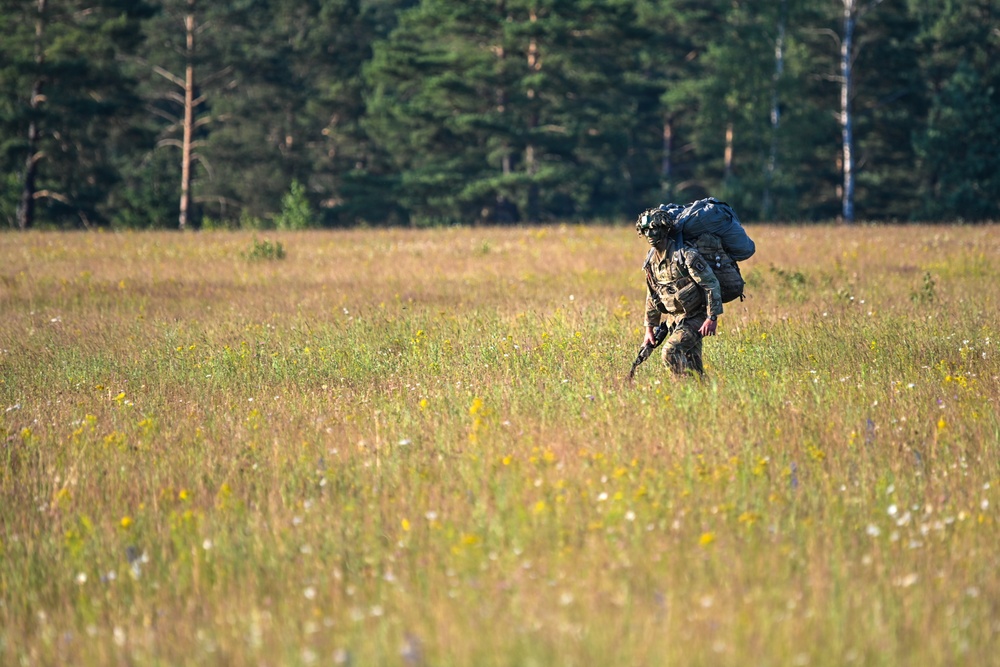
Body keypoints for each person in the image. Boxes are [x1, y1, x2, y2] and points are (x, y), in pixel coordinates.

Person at [636, 207, 723, 377]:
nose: (650, 234)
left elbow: (711, 284)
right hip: (673, 320)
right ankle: (701, 395)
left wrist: (711, 317)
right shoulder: (651, 260)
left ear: (664, 229)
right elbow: (652, 296)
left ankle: (683, 391)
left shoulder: (686, 255)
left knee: (670, 352)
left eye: (655, 229)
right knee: (693, 365)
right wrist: (649, 330)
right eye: (646, 230)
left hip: (695, 317)